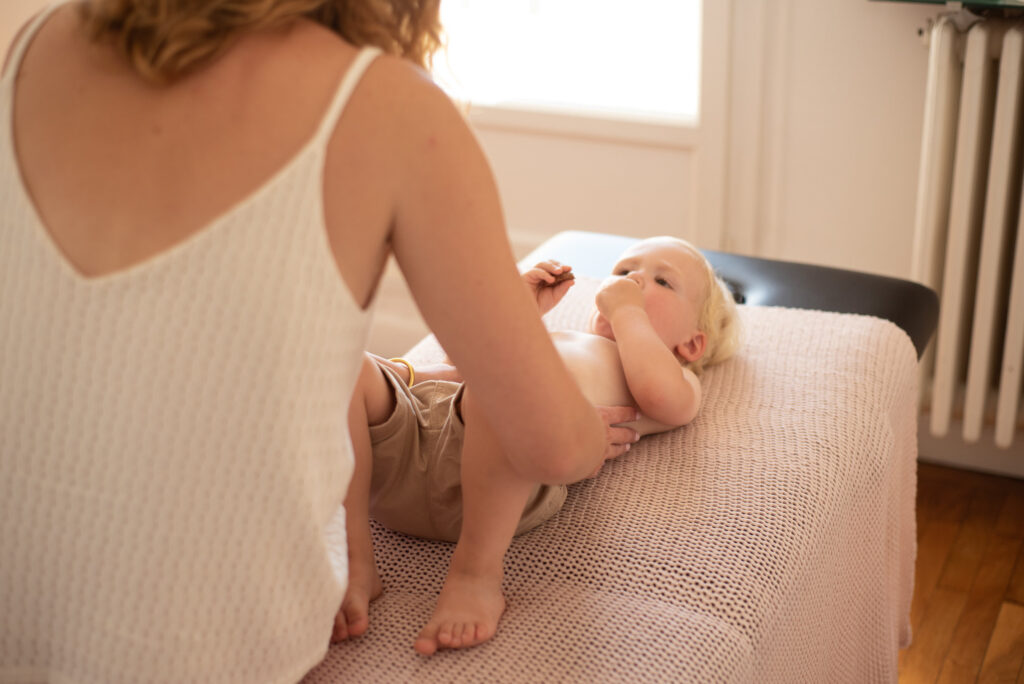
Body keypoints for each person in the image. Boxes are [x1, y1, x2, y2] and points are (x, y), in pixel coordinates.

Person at [0, 1, 636, 681]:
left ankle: (357, 557)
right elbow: (556, 445)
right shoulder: (390, 108)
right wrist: (590, 408)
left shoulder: (38, 37)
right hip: (207, 652)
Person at [337, 236, 741, 655]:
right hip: (412, 440)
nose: (633, 280)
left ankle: (476, 576)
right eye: (622, 272)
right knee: (348, 365)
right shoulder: (564, 339)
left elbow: (662, 397)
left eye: (662, 281)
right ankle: (354, 560)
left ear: (692, 343)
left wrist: (627, 312)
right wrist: (519, 317)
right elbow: (458, 371)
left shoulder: (672, 374)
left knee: (510, 383)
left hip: (506, 468)